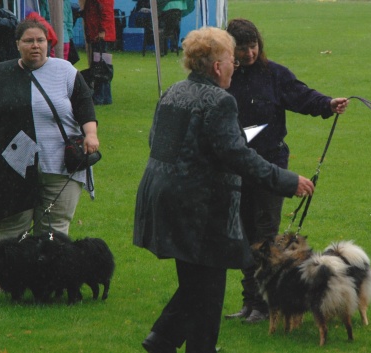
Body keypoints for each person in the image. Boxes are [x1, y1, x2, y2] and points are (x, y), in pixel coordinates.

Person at [133, 27, 315, 353]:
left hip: (161, 200)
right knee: (208, 286)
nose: (236, 66)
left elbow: (157, 143)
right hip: (200, 208)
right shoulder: (220, 101)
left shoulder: (173, 91)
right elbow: (238, 156)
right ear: (217, 66)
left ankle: (166, 340)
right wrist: (289, 180)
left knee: (197, 282)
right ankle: (180, 343)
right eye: (232, 59)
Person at [223, 18, 349, 323]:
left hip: (270, 167)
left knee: (265, 238)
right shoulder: (225, 78)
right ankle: (250, 302)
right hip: (236, 168)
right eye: (242, 48)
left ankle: (265, 305)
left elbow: (301, 95)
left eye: (253, 46)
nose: (249, 53)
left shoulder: (274, 74)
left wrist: (327, 104)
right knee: (242, 235)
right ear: (231, 50)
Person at [0, 18, 99, 294]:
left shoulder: (65, 71)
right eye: (28, 41)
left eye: (40, 40)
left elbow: (84, 104)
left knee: (54, 226)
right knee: (11, 221)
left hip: (60, 162)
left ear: (49, 43)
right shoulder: (1, 73)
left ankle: (51, 278)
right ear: (17, 44)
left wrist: (91, 134)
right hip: (13, 165)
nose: (35, 46)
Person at [82, 0, 115, 105]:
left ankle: (99, 96)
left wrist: (102, 31)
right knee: (104, 65)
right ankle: (106, 96)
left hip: (100, 36)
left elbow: (105, 12)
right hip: (103, 35)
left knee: (99, 66)